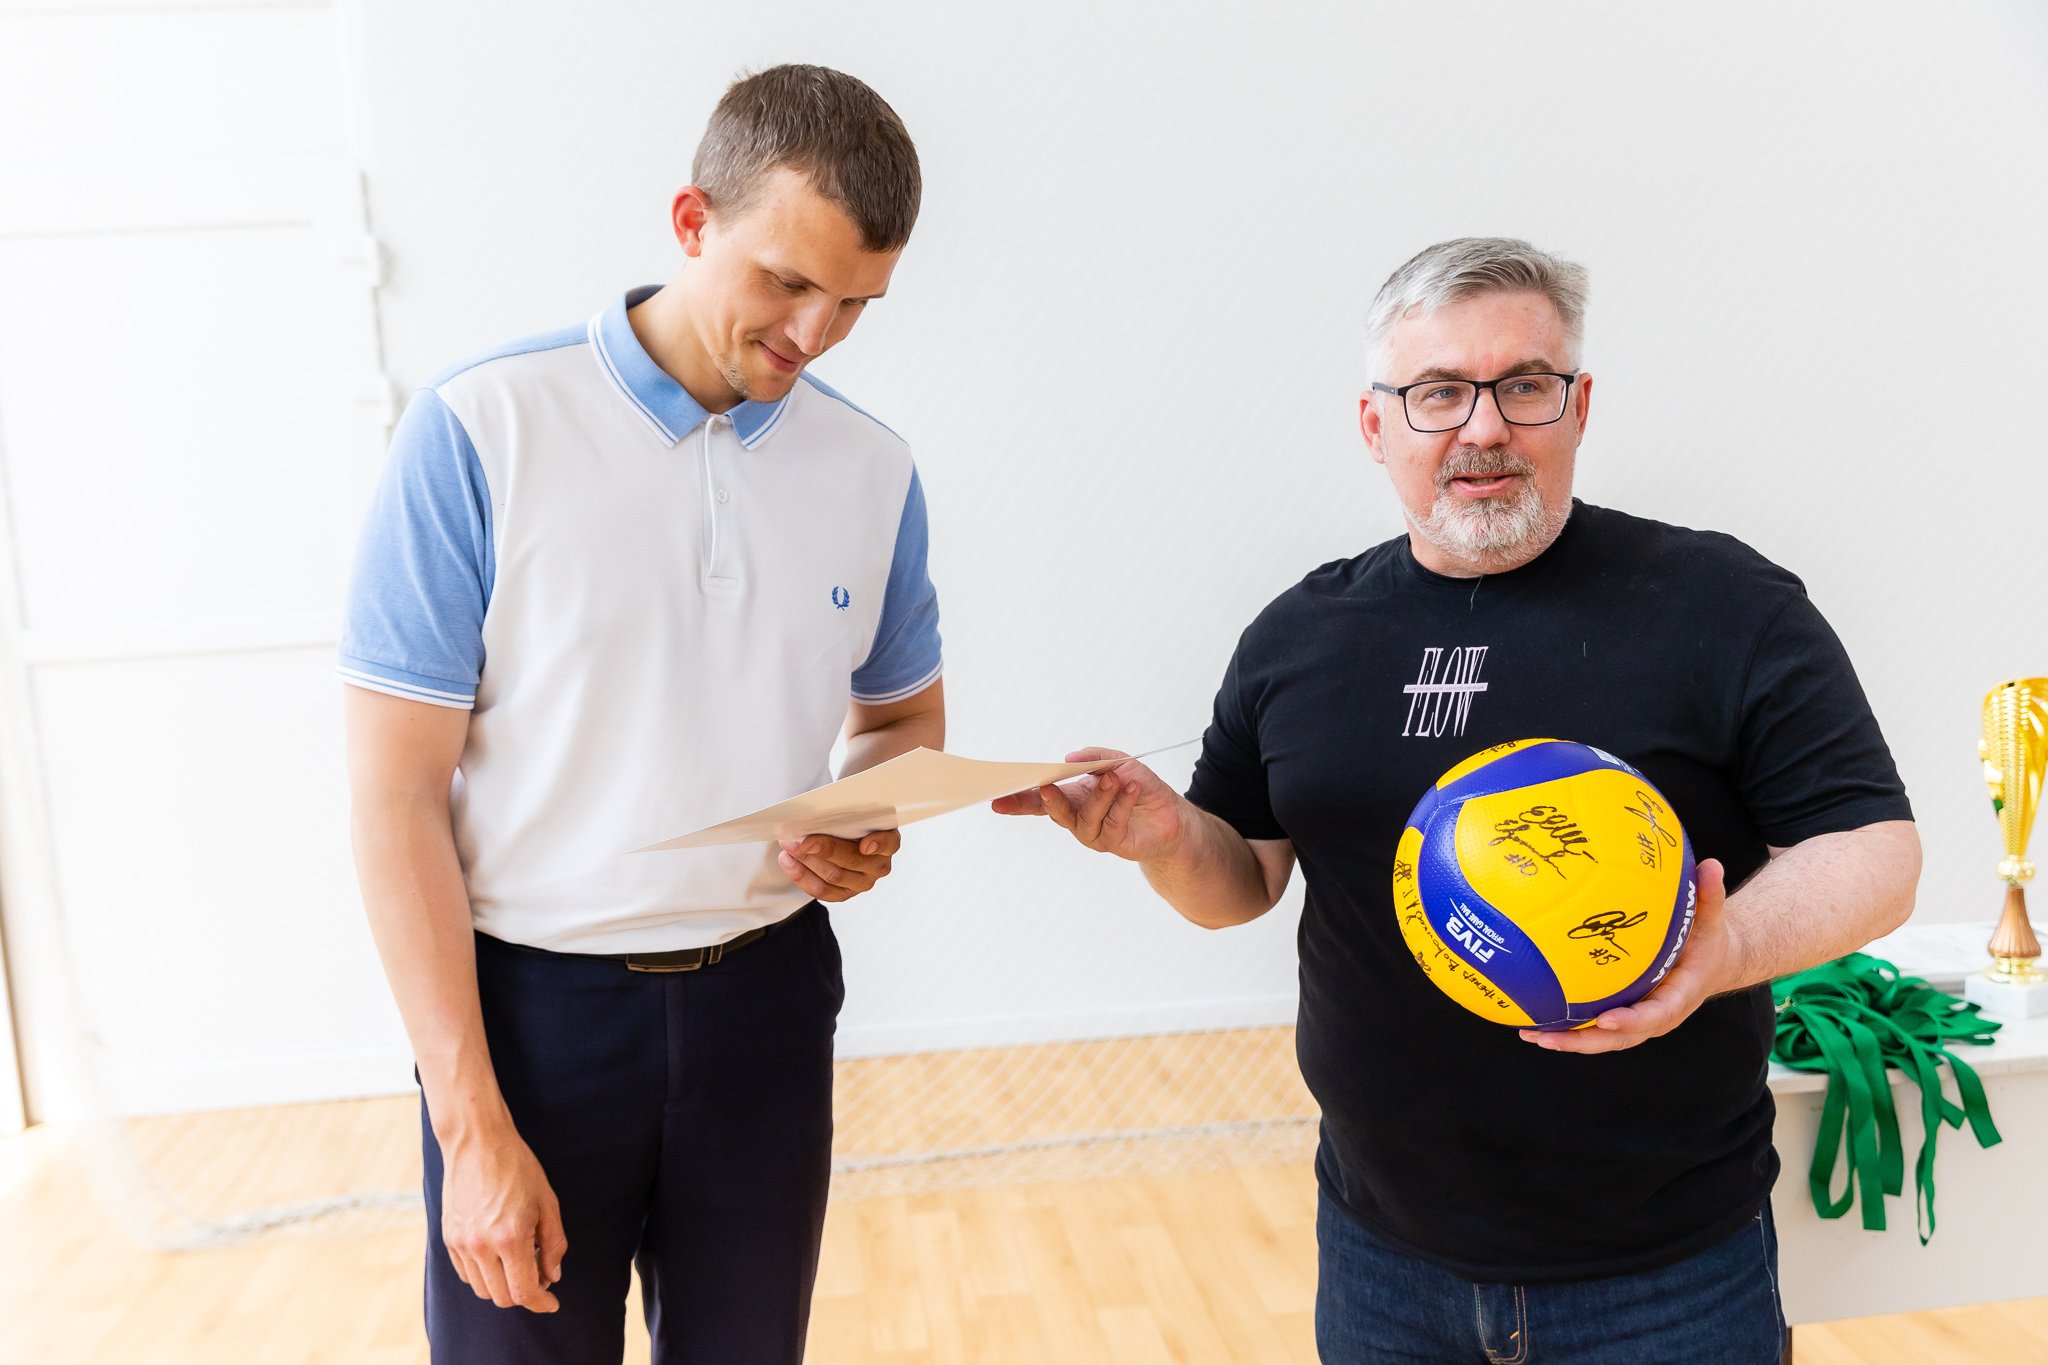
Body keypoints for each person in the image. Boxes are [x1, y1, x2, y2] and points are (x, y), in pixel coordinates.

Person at [996, 237, 1919, 1364]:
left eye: (1523, 386)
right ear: (1374, 424)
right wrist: (1166, 838)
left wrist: (1721, 954)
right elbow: (1241, 883)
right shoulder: (1297, 637)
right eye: (1437, 392)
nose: (1482, 428)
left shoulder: (1725, 604)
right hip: (1382, 1264)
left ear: (1579, 407)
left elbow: (1875, 850)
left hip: (1664, 1275)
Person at [340, 65, 943, 1364]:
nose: (816, 333)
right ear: (690, 221)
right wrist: (469, 1127)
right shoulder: (480, 428)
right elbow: (394, 798)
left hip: (767, 1007)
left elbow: (902, 723)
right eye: (787, 281)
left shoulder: (873, 468)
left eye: (856, 303)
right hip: (531, 1021)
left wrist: (864, 818)